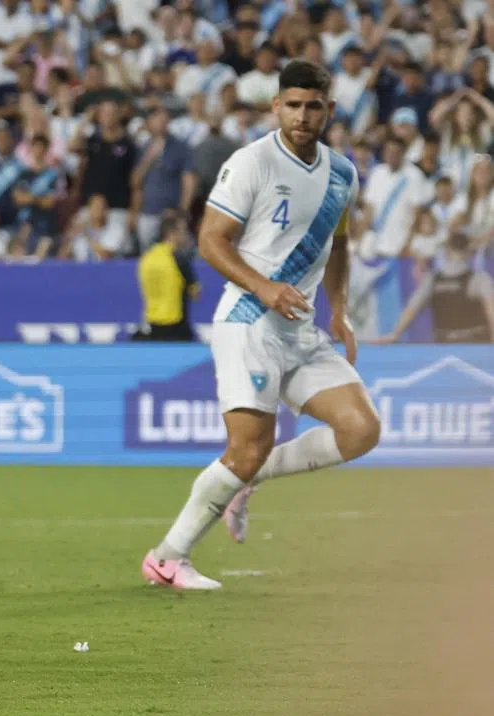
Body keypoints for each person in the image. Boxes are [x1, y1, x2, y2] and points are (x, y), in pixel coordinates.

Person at [141, 61, 381, 590]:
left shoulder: (343, 173)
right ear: (276, 106)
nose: (301, 115)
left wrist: (339, 309)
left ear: (329, 111)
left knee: (362, 429)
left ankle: (250, 483)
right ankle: (167, 557)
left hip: (301, 328)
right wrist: (264, 287)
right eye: (292, 105)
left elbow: (338, 243)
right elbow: (210, 241)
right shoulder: (252, 163)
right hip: (250, 321)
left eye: (312, 106)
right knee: (245, 448)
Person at [376, 231, 494, 344]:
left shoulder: (432, 279)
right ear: (469, 252)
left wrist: (395, 334)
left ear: (447, 251)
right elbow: (491, 309)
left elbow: (412, 308)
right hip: (474, 344)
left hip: (444, 344)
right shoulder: (480, 279)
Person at [134, 210, 200, 342]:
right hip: (176, 326)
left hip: (152, 323)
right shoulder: (179, 258)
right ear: (172, 234)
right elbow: (195, 293)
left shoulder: (147, 257)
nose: (186, 235)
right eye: (182, 231)